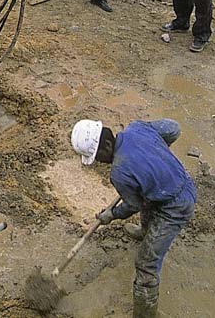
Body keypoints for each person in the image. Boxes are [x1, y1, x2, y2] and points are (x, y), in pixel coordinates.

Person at [71, 118, 196, 318]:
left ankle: (144, 314)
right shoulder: (138, 128)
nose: (99, 162)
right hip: (179, 183)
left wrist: (110, 215)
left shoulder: (120, 172)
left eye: (98, 157)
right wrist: (156, 154)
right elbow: (174, 128)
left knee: (146, 263)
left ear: (108, 145)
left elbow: (132, 205)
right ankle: (145, 232)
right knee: (146, 195)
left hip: (176, 207)